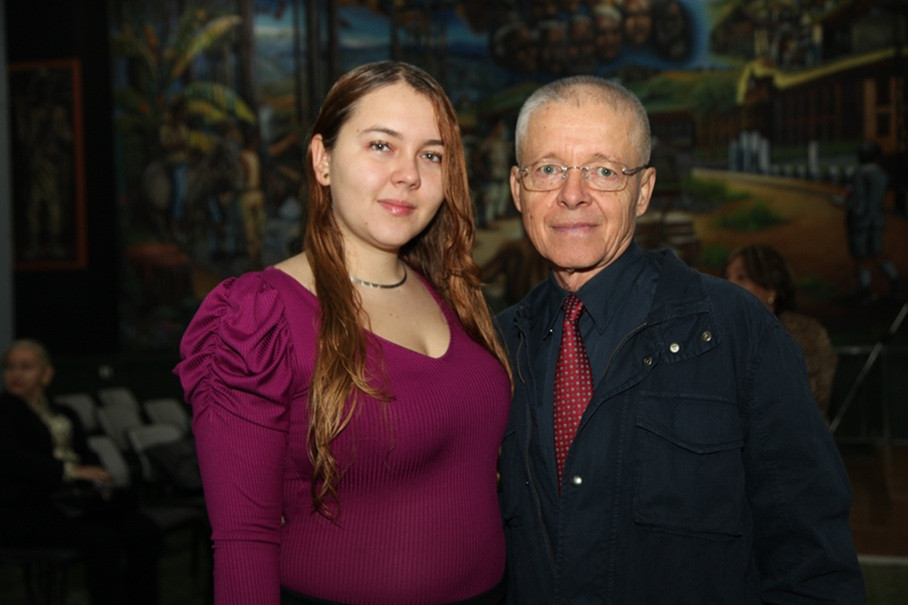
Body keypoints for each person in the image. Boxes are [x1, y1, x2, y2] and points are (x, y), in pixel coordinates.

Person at [495, 75, 865, 603]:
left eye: (604, 171)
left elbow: (813, 561)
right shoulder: (494, 347)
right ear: (518, 189)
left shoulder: (738, 332)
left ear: (643, 191)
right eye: (548, 169)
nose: (572, 194)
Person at [175, 61, 512, 605]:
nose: (409, 174)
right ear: (322, 160)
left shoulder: (453, 295)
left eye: (432, 155)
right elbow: (243, 543)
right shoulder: (257, 316)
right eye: (381, 145)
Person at [0, 339, 162, 605]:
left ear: (46, 375)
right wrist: (71, 472)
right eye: (9, 367)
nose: (15, 374)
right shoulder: (4, 412)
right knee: (104, 541)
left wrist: (99, 477)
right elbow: (15, 461)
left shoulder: (64, 412)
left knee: (144, 531)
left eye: (26, 367)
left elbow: (86, 454)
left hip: (72, 503)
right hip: (29, 510)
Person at [725, 244, 839, 420]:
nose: (728, 284)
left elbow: (811, 398)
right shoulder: (723, 334)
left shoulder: (805, 333)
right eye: (727, 277)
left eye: (741, 277)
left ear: (770, 289)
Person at [845, 140, 902, 301]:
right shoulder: (882, 174)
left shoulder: (858, 173)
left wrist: (849, 207)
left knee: (861, 256)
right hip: (876, 218)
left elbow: (857, 199)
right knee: (877, 252)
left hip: (860, 220)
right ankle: (894, 279)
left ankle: (864, 288)